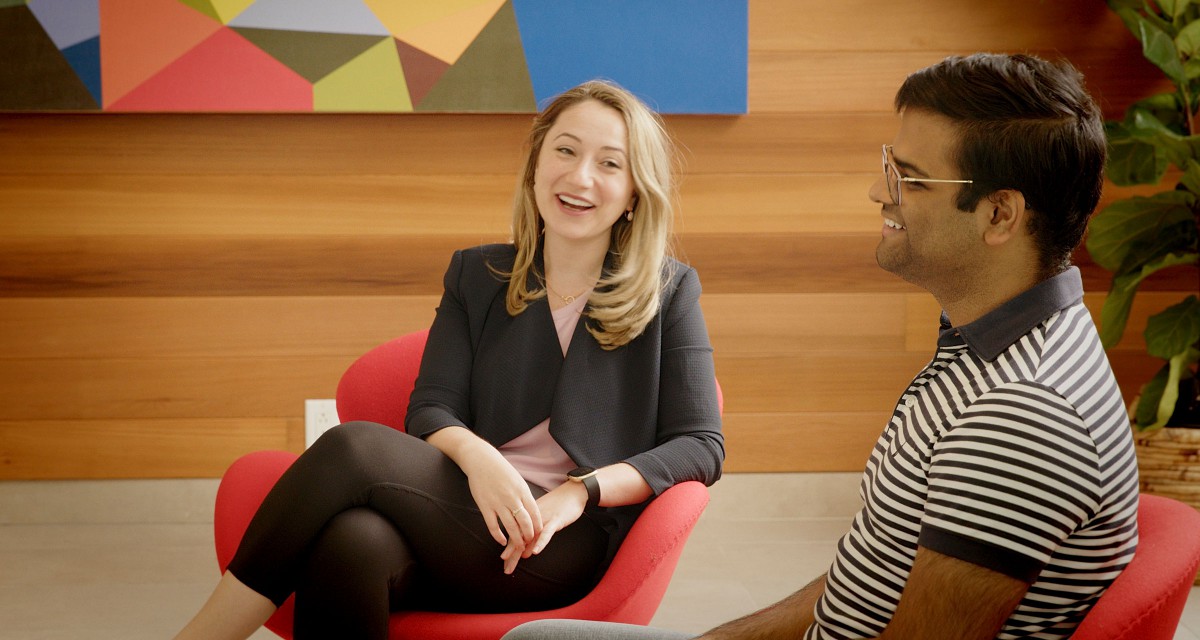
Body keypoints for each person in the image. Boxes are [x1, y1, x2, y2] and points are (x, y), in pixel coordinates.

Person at [503, 53, 1140, 640]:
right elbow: (863, 581)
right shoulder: (990, 353)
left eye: (910, 180)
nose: (877, 192)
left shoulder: (1023, 416)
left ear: (999, 215)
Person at [173, 79, 724, 640]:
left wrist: (580, 492)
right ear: (536, 162)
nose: (580, 177)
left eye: (610, 163)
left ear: (634, 192)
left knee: (351, 447)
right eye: (565, 150)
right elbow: (432, 405)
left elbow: (701, 445)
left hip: (563, 537)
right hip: (463, 508)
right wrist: (481, 462)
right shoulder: (477, 274)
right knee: (353, 541)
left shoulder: (670, 291)